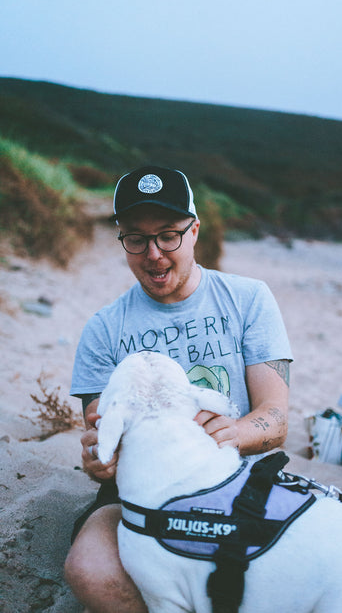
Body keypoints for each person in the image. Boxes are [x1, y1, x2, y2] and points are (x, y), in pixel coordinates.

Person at [64, 165, 293, 613]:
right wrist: (98, 458)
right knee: (89, 569)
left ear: (194, 232)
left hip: (232, 477)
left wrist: (230, 433)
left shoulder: (248, 299)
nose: (154, 254)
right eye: (136, 238)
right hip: (137, 491)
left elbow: (276, 419)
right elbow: (99, 437)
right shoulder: (103, 329)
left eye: (169, 234)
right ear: (121, 239)